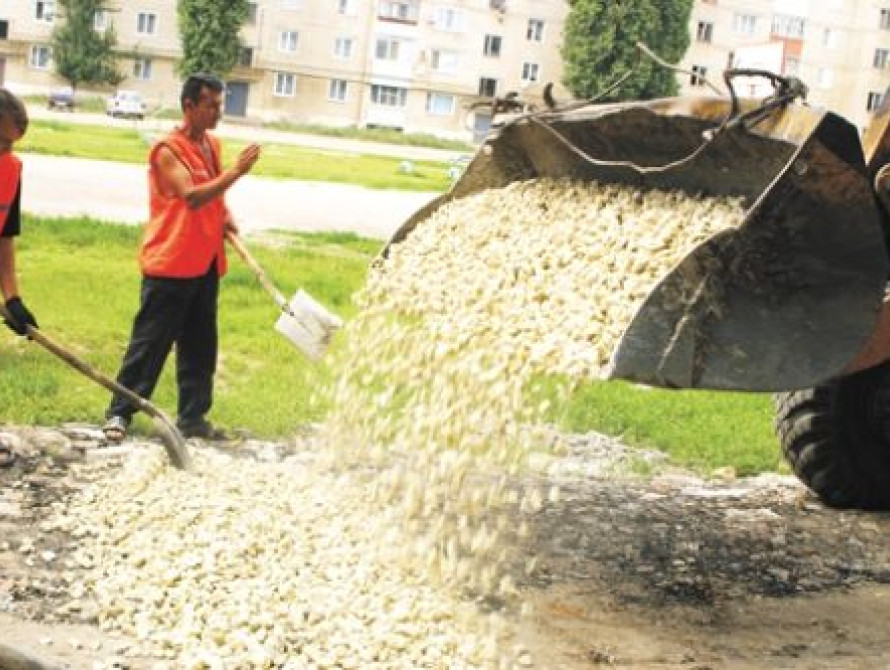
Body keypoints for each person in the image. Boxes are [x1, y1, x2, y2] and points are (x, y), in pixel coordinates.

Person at [103, 73, 261, 442]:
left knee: (200, 345)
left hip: (205, 262)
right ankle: (120, 413)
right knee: (149, 343)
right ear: (188, 105)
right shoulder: (166, 150)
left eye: (220, 106)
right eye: (211, 106)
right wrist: (237, 172)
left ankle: (192, 418)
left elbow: (211, 195)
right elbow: (191, 196)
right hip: (171, 263)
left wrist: (224, 215)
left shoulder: (212, 145)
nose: (218, 113)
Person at [0, 89, 39, 465]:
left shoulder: (11, 170)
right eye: (1, 143)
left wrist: (12, 299)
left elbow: (4, 236)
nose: (6, 153)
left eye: (12, 145)